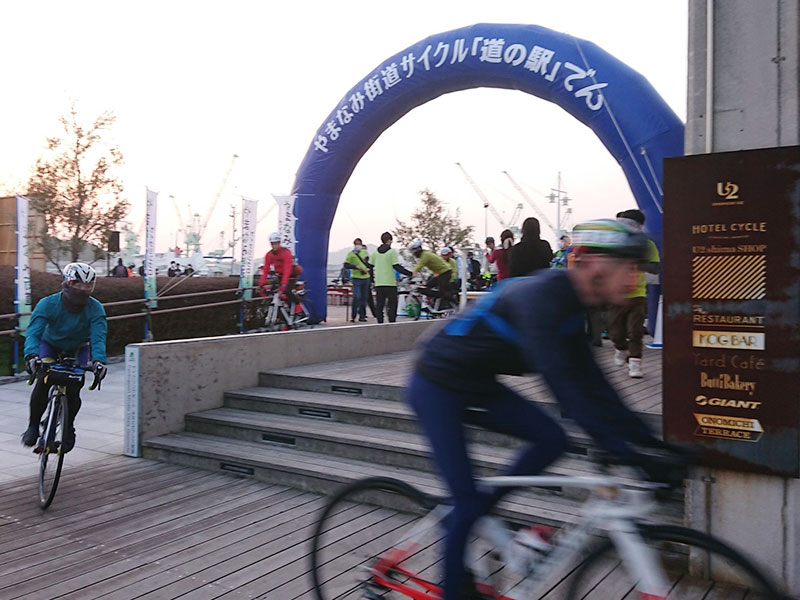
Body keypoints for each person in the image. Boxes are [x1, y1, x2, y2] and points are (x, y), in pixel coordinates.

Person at [406, 219, 685, 600]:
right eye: (629, 266)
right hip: (434, 385)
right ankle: (459, 556)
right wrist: (626, 452)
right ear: (593, 263)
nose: (635, 278)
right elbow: (565, 390)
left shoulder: (574, 307)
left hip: (476, 383)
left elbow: (597, 388)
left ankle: (476, 515)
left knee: (552, 439)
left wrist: (655, 444)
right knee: (467, 502)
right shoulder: (543, 298)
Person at [21, 263, 108, 453]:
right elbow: (34, 333)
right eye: (78, 285)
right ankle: (33, 425)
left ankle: (68, 427)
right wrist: (32, 356)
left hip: (78, 348)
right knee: (43, 381)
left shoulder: (95, 309)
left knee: (74, 388)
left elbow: (98, 338)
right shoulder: (48, 304)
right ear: (67, 284)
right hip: (50, 346)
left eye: (88, 286)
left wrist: (100, 361)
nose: (83, 290)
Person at [609, 209, 660, 378]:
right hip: (616, 294)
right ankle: (620, 349)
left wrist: (635, 262)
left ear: (638, 226)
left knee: (636, 332)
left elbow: (655, 268)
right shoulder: (614, 242)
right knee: (616, 334)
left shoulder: (647, 244)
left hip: (638, 294)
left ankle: (635, 364)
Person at [370, 232, 412, 323]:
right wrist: (410, 273)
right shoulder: (392, 251)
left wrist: (371, 279)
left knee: (380, 305)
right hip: (390, 283)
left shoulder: (375, 253)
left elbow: (369, 266)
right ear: (389, 240)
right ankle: (392, 322)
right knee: (392, 305)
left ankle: (380, 323)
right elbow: (396, 266)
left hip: (379, 283)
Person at [259, 232, 302, 312]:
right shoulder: (269, 255)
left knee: (287, 290)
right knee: (272, 291)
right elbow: (265, 270)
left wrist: (284, 284)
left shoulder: (286, 253)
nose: (274, 245)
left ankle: (297, 305)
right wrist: (261, 284)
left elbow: (287, 269)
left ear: (279, 243)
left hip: (291, 275)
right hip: (280, 275)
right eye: (272, 244)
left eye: (276, 243)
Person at [344, 238, 372, 323]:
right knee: (357, 296)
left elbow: (369, 263)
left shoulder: (365, 253)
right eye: (356, 244)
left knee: (364, 297)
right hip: (356, 278)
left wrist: (367, 269)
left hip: (365, 277)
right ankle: (353, 315)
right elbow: (346, 265)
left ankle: (362, 316)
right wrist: (356, 267)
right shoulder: (350, 254)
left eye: (359, 244)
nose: (358, 246)